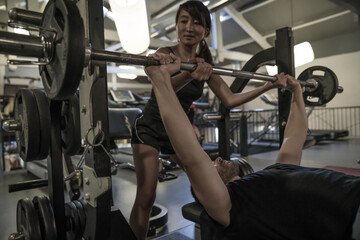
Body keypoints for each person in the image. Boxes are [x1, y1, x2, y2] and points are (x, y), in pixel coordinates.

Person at [144, 53, 360, 240]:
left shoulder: (276, 170)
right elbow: (191, 158)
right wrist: (160, 79)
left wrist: (297, 92)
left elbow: (294, 137)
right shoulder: (228, 207)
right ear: (208, 189)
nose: (217, 159)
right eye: (213, 166)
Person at [129, 1, 287, 239]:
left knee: (206, 177)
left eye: (196, 23)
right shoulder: (165, 54)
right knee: (146, 196)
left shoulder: (206, 65)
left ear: (206, 31)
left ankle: (216, 220)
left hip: (177, 134)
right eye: (183, 21)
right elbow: (163, 87)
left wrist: (268, 85)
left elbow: (231, 99)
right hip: (150, 127)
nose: (189, 27)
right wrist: (188, 74)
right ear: (176, 26)